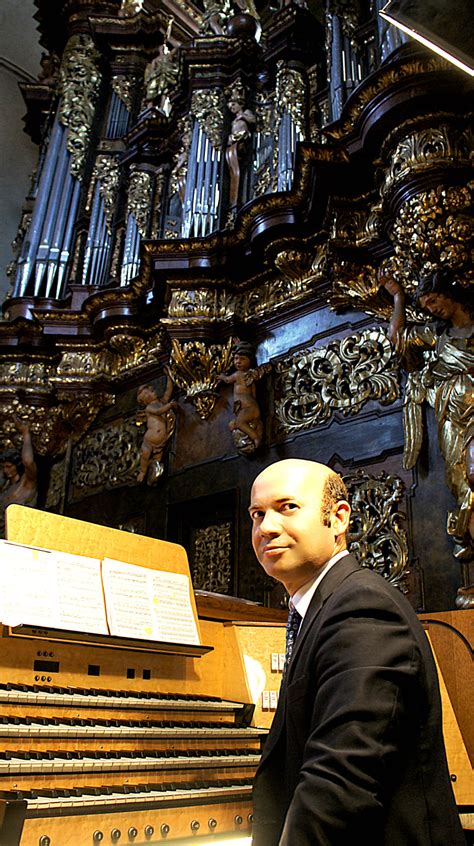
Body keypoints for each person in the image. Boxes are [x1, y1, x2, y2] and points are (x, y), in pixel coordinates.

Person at [249, 458, 465, 845]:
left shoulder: (362, 606)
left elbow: (339, 783)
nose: (266, 527)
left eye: (287, 507)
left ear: (338, 518)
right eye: (257, 514)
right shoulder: (322, 607)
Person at [382, 268, 473, 548]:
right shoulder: (437, 334)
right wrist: (398, 297)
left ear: (448, 294)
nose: (433, 310)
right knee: (461, 479)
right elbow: (397, 337)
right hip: (452, 414)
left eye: (433, 301)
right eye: (426, 307)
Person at [217, 342, 270, 453]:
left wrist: (221, 376)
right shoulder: (249, 377)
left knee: (240, 423)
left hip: (248, 408)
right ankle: (257, 434)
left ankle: (255, 438)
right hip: (253, 407)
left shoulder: (238, 374)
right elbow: (253, 394)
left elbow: (227, 380)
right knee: (248, 423)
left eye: (242, 359)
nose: (238, 362)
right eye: (236, 358)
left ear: (250, 361)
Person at [136, 369, 178, 484]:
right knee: (145, 454)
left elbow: (168, 391)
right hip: (150, 440)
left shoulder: (161, 401)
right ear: (144, 401)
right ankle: (143, 471)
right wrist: (170, 405)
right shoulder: (149, 408)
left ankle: (154, 475)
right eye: (146, 393)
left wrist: (169, 377)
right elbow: (159, 411)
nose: (150, 391)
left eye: (149, 389)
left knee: (158, 460)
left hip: (161, 442)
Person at [0, 417, 38, 538]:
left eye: (9, 466)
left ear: (17, 465)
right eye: (4, 467)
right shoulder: (5, 488)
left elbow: (28, 462)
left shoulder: (26, 484)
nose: (6, 470)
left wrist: (26, 434)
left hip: (19, 537)